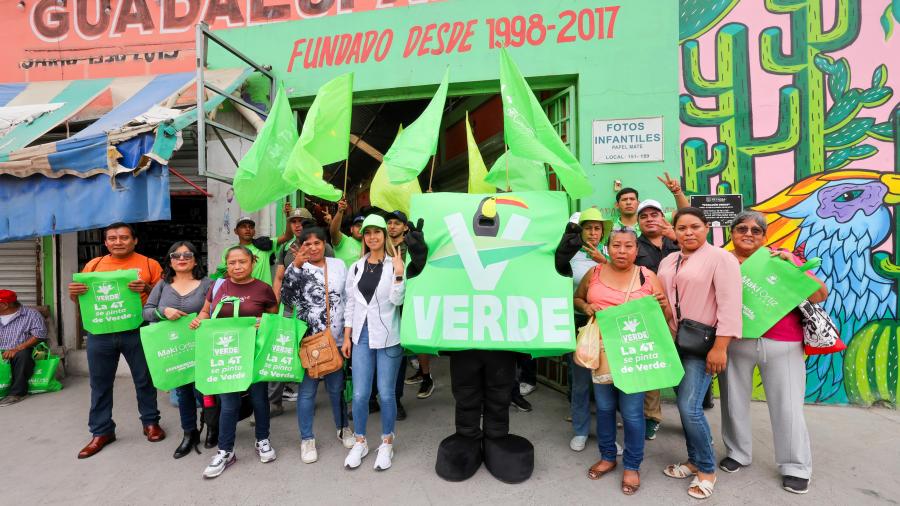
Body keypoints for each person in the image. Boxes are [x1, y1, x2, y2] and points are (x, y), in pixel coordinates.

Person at [718, 211, 826, 495]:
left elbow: (819, 294)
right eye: (742, 228)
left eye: (756, 230)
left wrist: (794, 267)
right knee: (732, 402)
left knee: (788, 406)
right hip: (735, 342)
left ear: (765, 236)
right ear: (732, 232)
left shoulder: (781, 259)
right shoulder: (722, 261)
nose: (749, 233)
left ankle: (795, 466)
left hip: (783, 343)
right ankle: (737, 452)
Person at [573, 228, 672, 495]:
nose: (622, 251)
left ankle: (632, 465)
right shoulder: (593, 274)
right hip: (603, 352)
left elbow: (663, 316)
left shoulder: (647, 276)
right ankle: (607, 456)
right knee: (604, 408)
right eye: (616, 245)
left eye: (628, 246)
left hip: (634, 353)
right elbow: (578, 298)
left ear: (636, 250)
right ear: (608, 248)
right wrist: (586, 307)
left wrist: (662, 304)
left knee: (631, 412)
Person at [657, 208, 741, 500]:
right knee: (684, 406)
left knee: (690, 408)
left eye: (695, 226)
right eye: (682, 228)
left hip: (703, 345)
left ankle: (706, 469)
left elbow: (730, 306)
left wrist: (720, 348)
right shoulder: (669, 260)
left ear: (707, 227)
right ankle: (693, 460)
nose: (688, 232)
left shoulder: (721, 258)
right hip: (673, 342)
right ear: (675, 231)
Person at [68, 222, 165, 459]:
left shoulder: (149, 264)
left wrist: (148, 287)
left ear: (135, 240)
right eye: (112, 238)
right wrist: (74, 293)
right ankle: (101, 431)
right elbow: (80, 301)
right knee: (100, 383)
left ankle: (150, 422)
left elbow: (164, 298)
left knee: (144, 379)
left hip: (137, 328)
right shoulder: (94, 265)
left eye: (123, 237)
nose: (118, 242)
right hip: (100, 331)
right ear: (105, 242)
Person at [190, 246, 279, 479]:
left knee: (259, 398)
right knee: (229, 403)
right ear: (226, 265)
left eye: (242, 262)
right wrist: (198, 321)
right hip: (226, 354)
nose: (237, 267)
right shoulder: (218, 285)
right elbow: (205, 312)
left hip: (253, 353)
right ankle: (226, 451)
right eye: (232, 263)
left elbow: (273, 317)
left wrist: (264, 322)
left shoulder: (263, 289)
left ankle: (262, 440)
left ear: (252, 263)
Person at [280, 227, 355, 464]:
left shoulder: (338, 265)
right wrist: (298, 267)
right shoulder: (296, 268)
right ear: (301, 246)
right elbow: (288, 300)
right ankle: (307, 439)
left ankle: (343, 428)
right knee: (308, 392)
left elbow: (347, 298)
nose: (313, 247)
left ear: (325, 244)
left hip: (336, 339)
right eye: (307, 244)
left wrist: (347, 334)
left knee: (336, 388)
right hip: (310, 340)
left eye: (317, 243)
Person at [341, 214, 406, 471]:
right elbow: (350, 304)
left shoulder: (394, 264)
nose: (372, 237)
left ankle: (387, 442)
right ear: (363, 237)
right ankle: (360, 441)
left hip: (389, 336)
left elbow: (397, 301)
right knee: (359, 394)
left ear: (385, 235)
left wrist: (399, 275)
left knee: (387, 394)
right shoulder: (356, 267)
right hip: (360, 336)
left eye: (377, 232)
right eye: (367, 233)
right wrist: (346, 337)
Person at [142, 241, 213, 458]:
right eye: (176, 255)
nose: (181, 259)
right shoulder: (163, 285)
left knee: (205, 392)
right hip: (175, 350)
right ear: (170, 260)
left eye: (187, 254)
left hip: (201, 346)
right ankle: (189, 433)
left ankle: (212, 428)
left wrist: (204, 315)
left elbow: (220, 309)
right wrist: (164, 312)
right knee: (183, 393)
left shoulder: (208, 283)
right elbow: (146, 312)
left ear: (195, 258)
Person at [270, 204, 334, 415]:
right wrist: (274, 304)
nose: (298, 226)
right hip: (289, 309)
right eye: (294, 222)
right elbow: (279, 278)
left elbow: (330, 279)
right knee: (282, 353)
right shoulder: (285, 248)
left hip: (313, 312)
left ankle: (307, 399)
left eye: (303, 222)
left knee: (311, 354)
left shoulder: (324, 248)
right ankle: (274, 402)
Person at [634, 199, 681, 440]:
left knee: (683, 368)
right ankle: (652, 417)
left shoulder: (679, 242)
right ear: (639, 222)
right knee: (652, 369)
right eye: (644, 216)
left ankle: (690, 417)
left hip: (685, 316)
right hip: (650, 316)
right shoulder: (635, 247)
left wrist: (677, 237)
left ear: (664, 217)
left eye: (655, 214)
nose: (650, 219)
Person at [567, 208, 612, 451]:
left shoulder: (611, 252)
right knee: (581, 381)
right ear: (581, 230)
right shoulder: (569, 254)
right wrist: (584, 305)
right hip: (580, 323)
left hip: (609, 326)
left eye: (597, 228)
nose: (593, 233)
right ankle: (581, 430)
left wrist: (605, 262)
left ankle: (607, 434)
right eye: (588, 228)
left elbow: (625, 278)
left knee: (607, 382)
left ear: (603, 232)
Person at [0, 290, 48, 407]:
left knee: (23, 355)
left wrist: (17, 348)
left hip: (21, 349)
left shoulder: (31, 314)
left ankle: (17, 393)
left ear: (5, 305)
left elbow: (39, 335)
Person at [213, 216, 287, 285]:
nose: (248, 229)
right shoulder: (229, 251)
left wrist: (288, 216)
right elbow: (221, 276)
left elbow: (287, 236)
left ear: (254, 231)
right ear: (236, 231)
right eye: (243, 227)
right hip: (239, 295)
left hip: (262, 295)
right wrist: (244, 261)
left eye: (251, 227)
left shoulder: (264, 246)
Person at [329, 199, 364, 269]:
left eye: (363, 226)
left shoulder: (370, 246)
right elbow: (333, 231)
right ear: (351, 229)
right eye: (358, 226)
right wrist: (340, 211)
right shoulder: (344, 240)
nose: (360, 228)